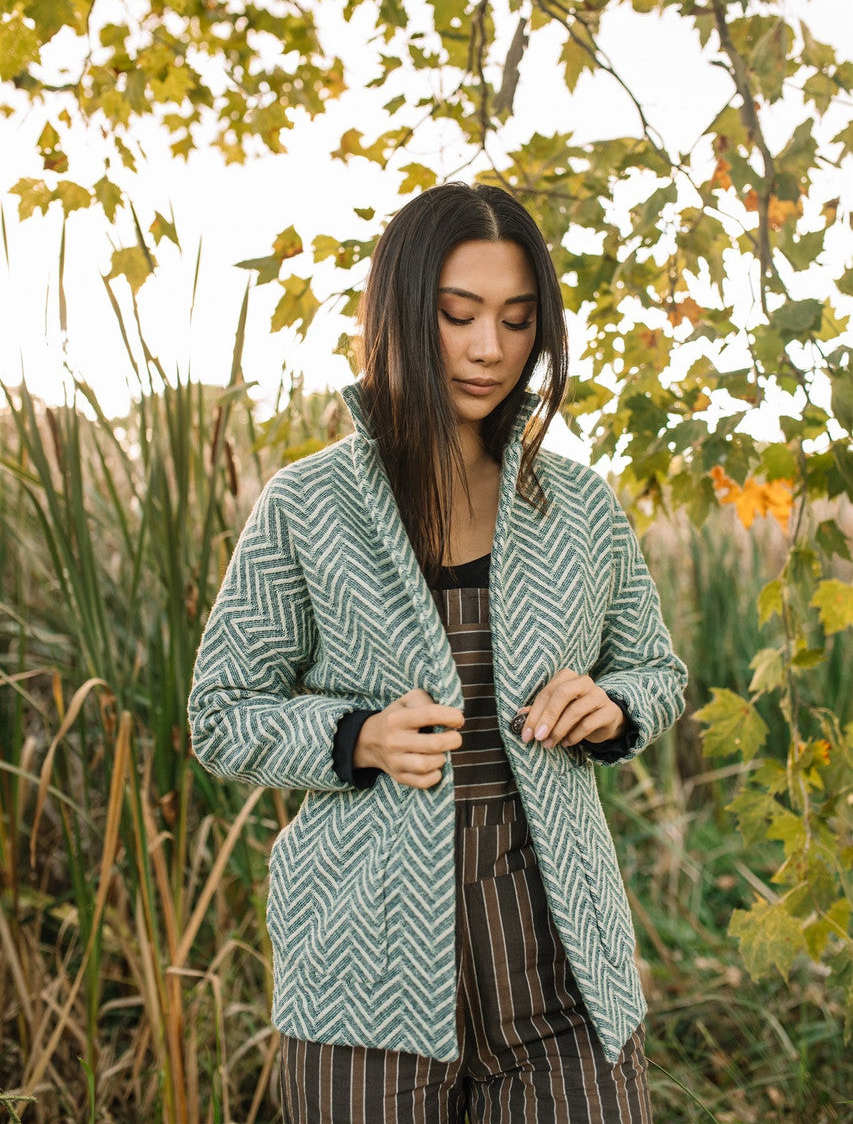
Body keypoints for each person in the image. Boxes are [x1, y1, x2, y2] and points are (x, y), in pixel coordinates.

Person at [188, 182, 688, 1123]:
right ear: (402, 312)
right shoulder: (308, 507)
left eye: (515, 319)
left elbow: (655, 670)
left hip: (560, 969)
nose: (488, 349)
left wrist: (614, 709)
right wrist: (357, 738)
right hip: (361, 974)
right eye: (457, 316)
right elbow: (220, 713)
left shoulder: (578, 506)